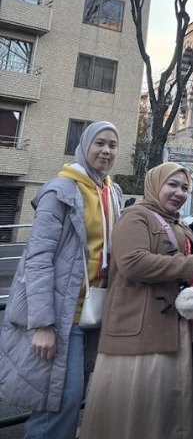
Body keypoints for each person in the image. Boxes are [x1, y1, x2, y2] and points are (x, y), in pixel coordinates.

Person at [0, 121, 121, 439]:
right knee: (58, 407)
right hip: (60, 315)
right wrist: (42, 324)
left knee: (71, 402)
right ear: (84, 146)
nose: (106, 150)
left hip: (93, 314)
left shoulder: (113, 192)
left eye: (112, 145)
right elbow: (36, 260)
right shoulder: (61, 190)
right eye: (100, 143)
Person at [80, 162, 193, 438]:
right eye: (172, 185)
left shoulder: (179, 223)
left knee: (162, 405)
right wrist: (186, 264)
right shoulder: (136, 216)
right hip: (137, 330)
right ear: (154, 185)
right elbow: (132, 262)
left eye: (185, 187)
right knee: (136, 407)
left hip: (169, 326)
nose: (179, 193)